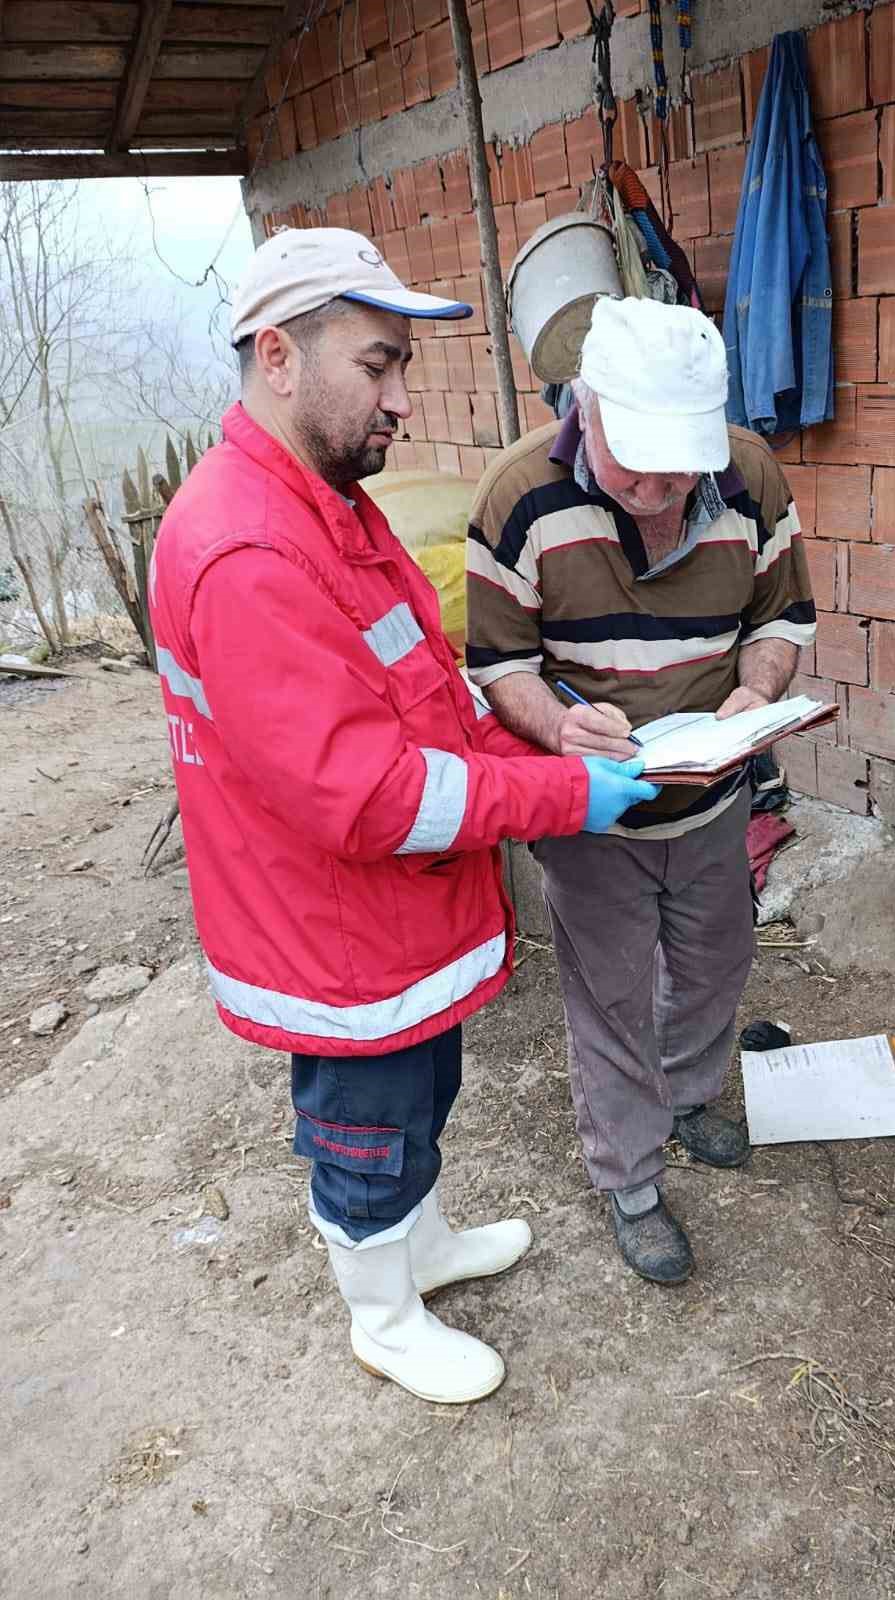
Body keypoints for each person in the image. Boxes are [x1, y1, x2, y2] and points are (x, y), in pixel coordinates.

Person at [149, 228, 657, 1405]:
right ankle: (381, 1310)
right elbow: (373, 792)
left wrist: (537, 731)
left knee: (420, 1091)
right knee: (366, 1127)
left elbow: (419, 692)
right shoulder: (247, 548)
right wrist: (560, 794)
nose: (401, 402)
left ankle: (416, 1248)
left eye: (401, 371)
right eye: (378, 366)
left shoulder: (326, 506)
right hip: (332, 929)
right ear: (279, 355)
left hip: (386, 914)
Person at [466, 296, 816, 1285]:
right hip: (595, 810)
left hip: (711, 793)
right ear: (590, 407)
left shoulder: (746, 474)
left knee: (714, 960)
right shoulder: (515, 495)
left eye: (681, 469)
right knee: (610, 995)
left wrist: (752, 697)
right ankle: (628, 1179)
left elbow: (782, 616)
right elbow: (497, 665)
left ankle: (692, 1092)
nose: (662, 494)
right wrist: (555, 724)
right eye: (637, 470)